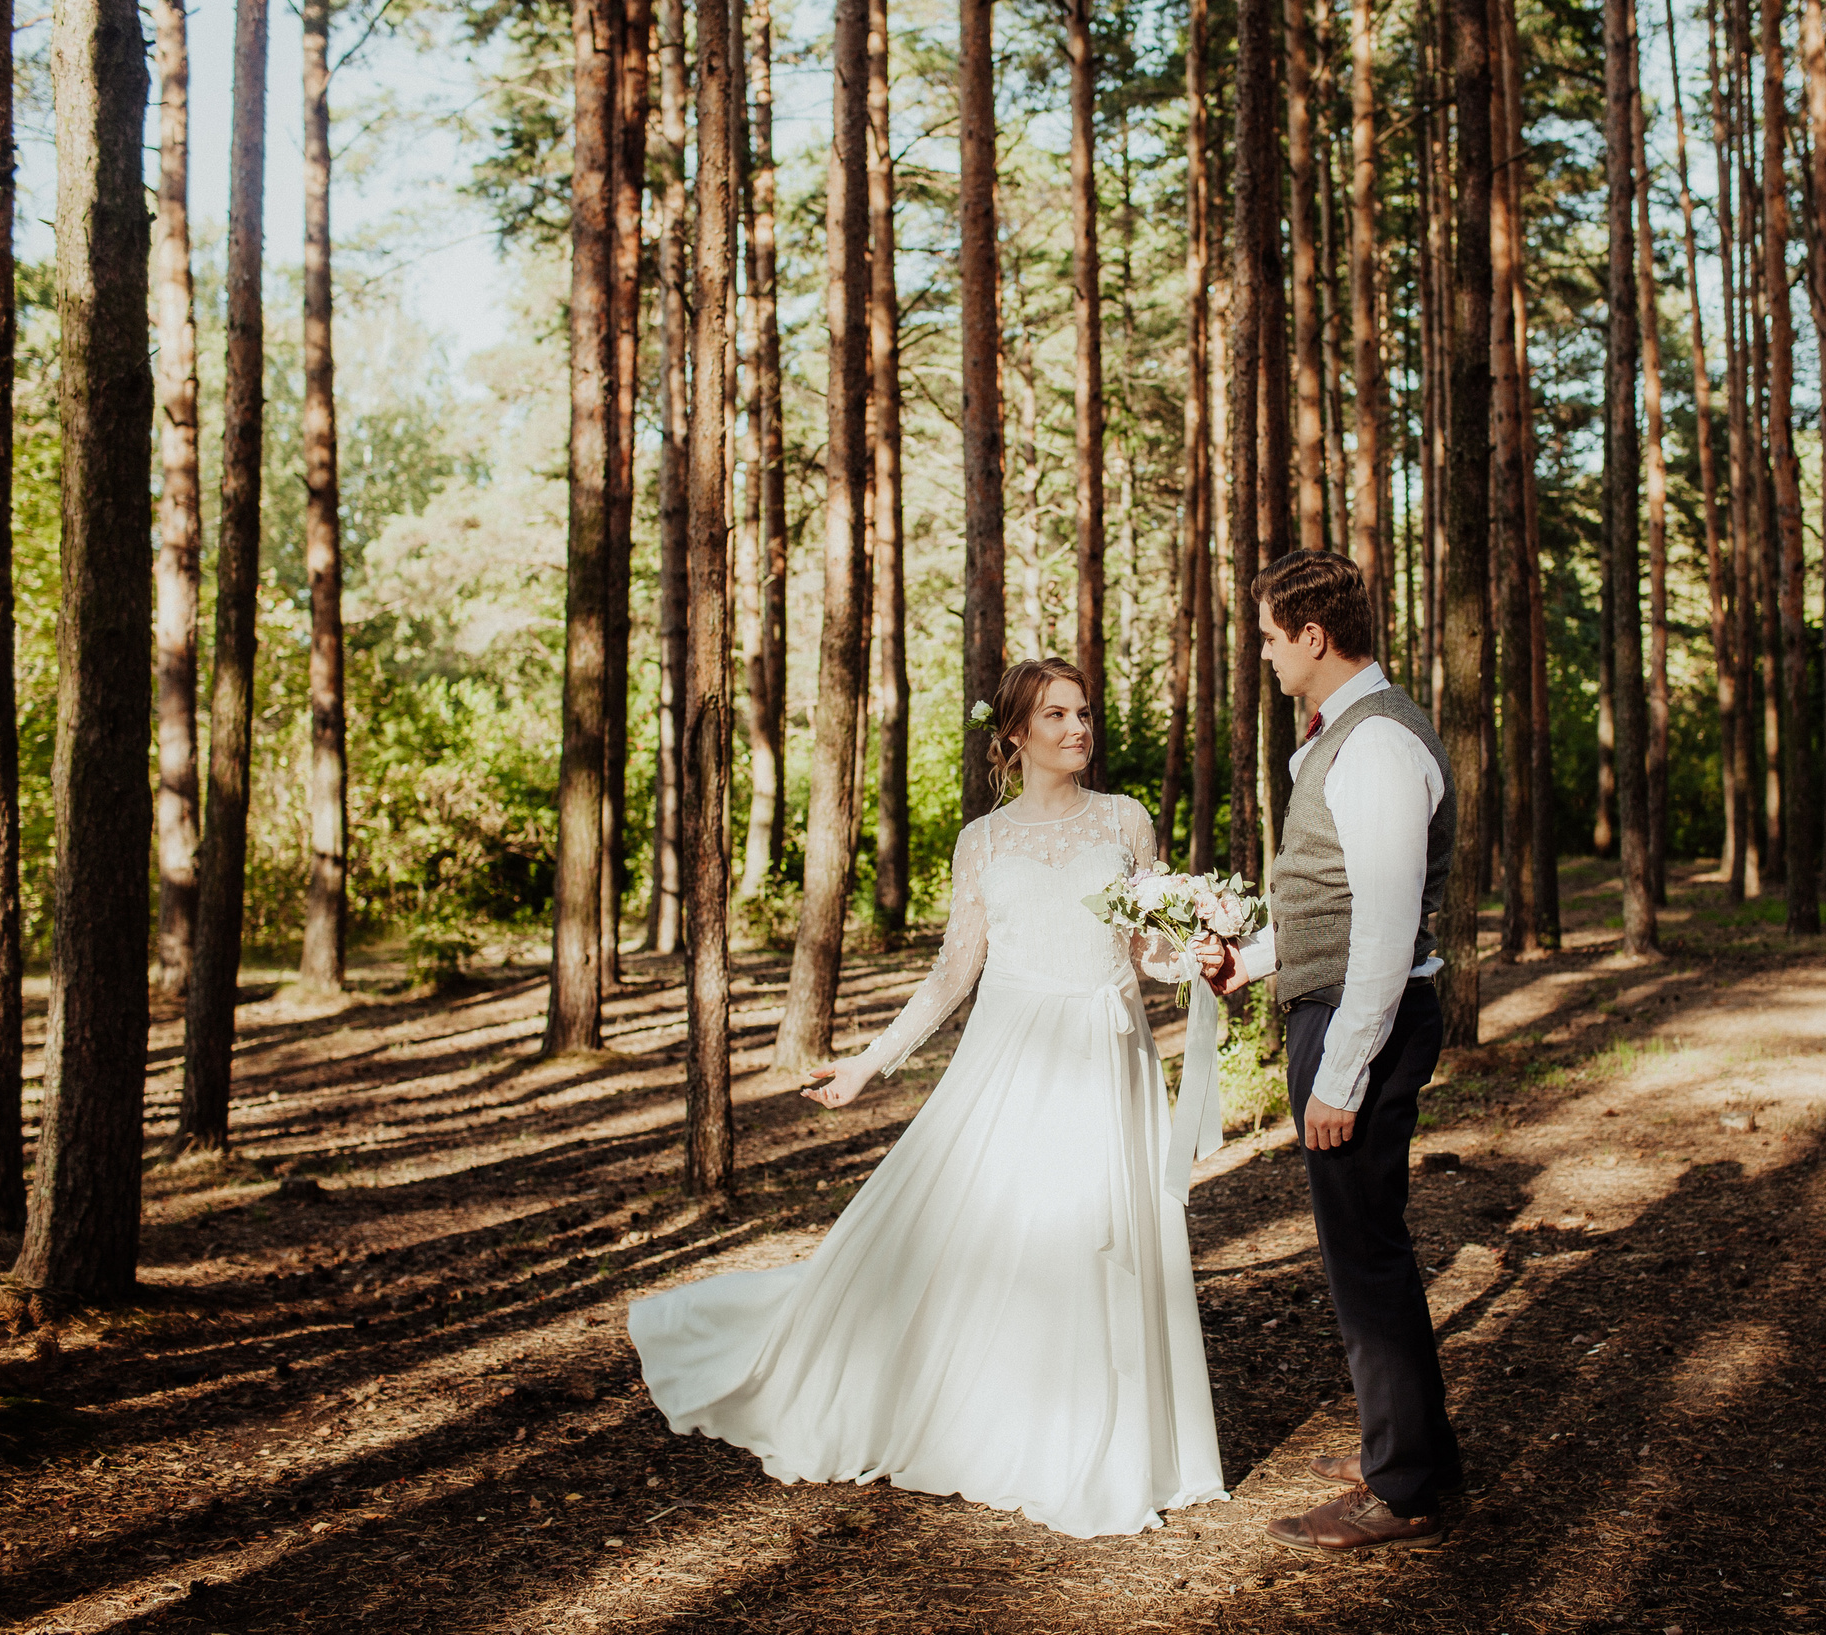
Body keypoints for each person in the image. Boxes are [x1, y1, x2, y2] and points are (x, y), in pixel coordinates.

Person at [624, 659, 1226, 1540]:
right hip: (1012, 1059)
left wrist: (1200, 953)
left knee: (1106, 1245)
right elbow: (954, 972)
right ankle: (1007, 1420)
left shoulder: (1126, 821)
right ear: (1015, 734)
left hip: (1108, 1055)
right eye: (1055, 714)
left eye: (1084, 711)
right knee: (1005, 1235)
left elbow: (1142, 951)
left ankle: (1105, 1446)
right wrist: (870, 1063)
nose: (1077, 727)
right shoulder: (983, 840)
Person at [1201, 548, 1461, 1554]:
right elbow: (1333, 907)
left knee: (1366, 1260)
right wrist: (1255, 964)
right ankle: (1419, 1457)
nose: (1264, 654)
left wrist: (1341, 1075)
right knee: (1368, 1249)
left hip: (1367, 1024)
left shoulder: (1379, 747)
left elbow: (1389, 931)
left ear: (1313, 638)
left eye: (1270, 636)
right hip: (1341, 1007)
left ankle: (1401, 1491)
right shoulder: (1336, 741)